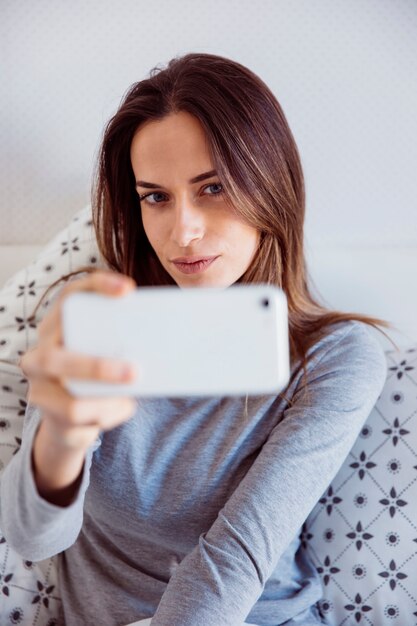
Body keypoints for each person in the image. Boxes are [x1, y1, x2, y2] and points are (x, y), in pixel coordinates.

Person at [0, 53, 393, 626]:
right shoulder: (99, 315)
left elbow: (235, 556)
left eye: (212, 188)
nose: (182, 231)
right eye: (156, 196)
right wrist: (61, 435)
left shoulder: (336, 357)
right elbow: (33, 538)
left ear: (269, 187)